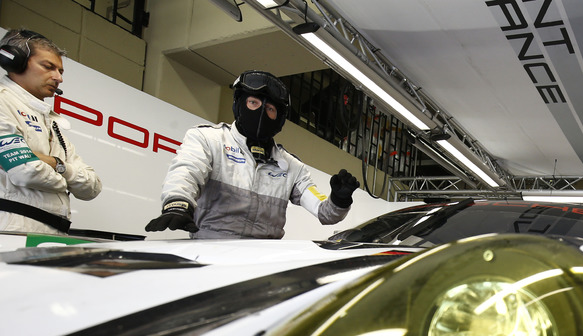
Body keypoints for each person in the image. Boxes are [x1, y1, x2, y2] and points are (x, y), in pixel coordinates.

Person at [147, 70, 359, 238]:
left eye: (270, 109)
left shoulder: (293, 167)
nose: (261, 112)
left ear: (279, 118)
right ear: (240, 105)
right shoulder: (209, 139)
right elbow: (187, 171)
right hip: (209, 252)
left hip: (260, 263)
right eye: (253, 103)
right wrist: (178, 203)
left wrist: (339, 200)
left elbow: (325, 213)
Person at [0, 29, 102, 234]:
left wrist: (56, 164)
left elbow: (92, 187)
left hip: (51, 231)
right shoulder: (3, 102)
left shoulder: (51, 120)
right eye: (48, 67)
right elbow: (26, 171)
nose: (58, 78)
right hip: (12, 230)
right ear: (14, 62)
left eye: (60, 71)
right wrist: (69, 179)